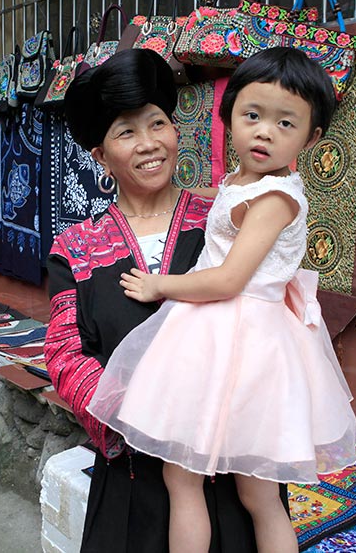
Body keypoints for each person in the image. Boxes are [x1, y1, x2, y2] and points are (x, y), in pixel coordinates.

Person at [86, 47, 356, 553]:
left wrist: (159, 284)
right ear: (228, 115)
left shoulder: (276, 198)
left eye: (286, 123)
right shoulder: (242, 182)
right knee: (201, 484)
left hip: (239, 339)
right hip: (223, 339)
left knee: (237, 491)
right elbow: (226, 207)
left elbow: (229, 279)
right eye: (252, 115)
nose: (264, 132)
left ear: (312, 137)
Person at [44, 49, 289, 553]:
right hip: (136, 481)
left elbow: (272, 311)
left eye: (158, 123)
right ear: (100, 156)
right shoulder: (77, 248)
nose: (149, 144)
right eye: (126, 132)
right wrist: (147, 411)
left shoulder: (227, 220)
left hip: (233, 468)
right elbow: (64, 354)